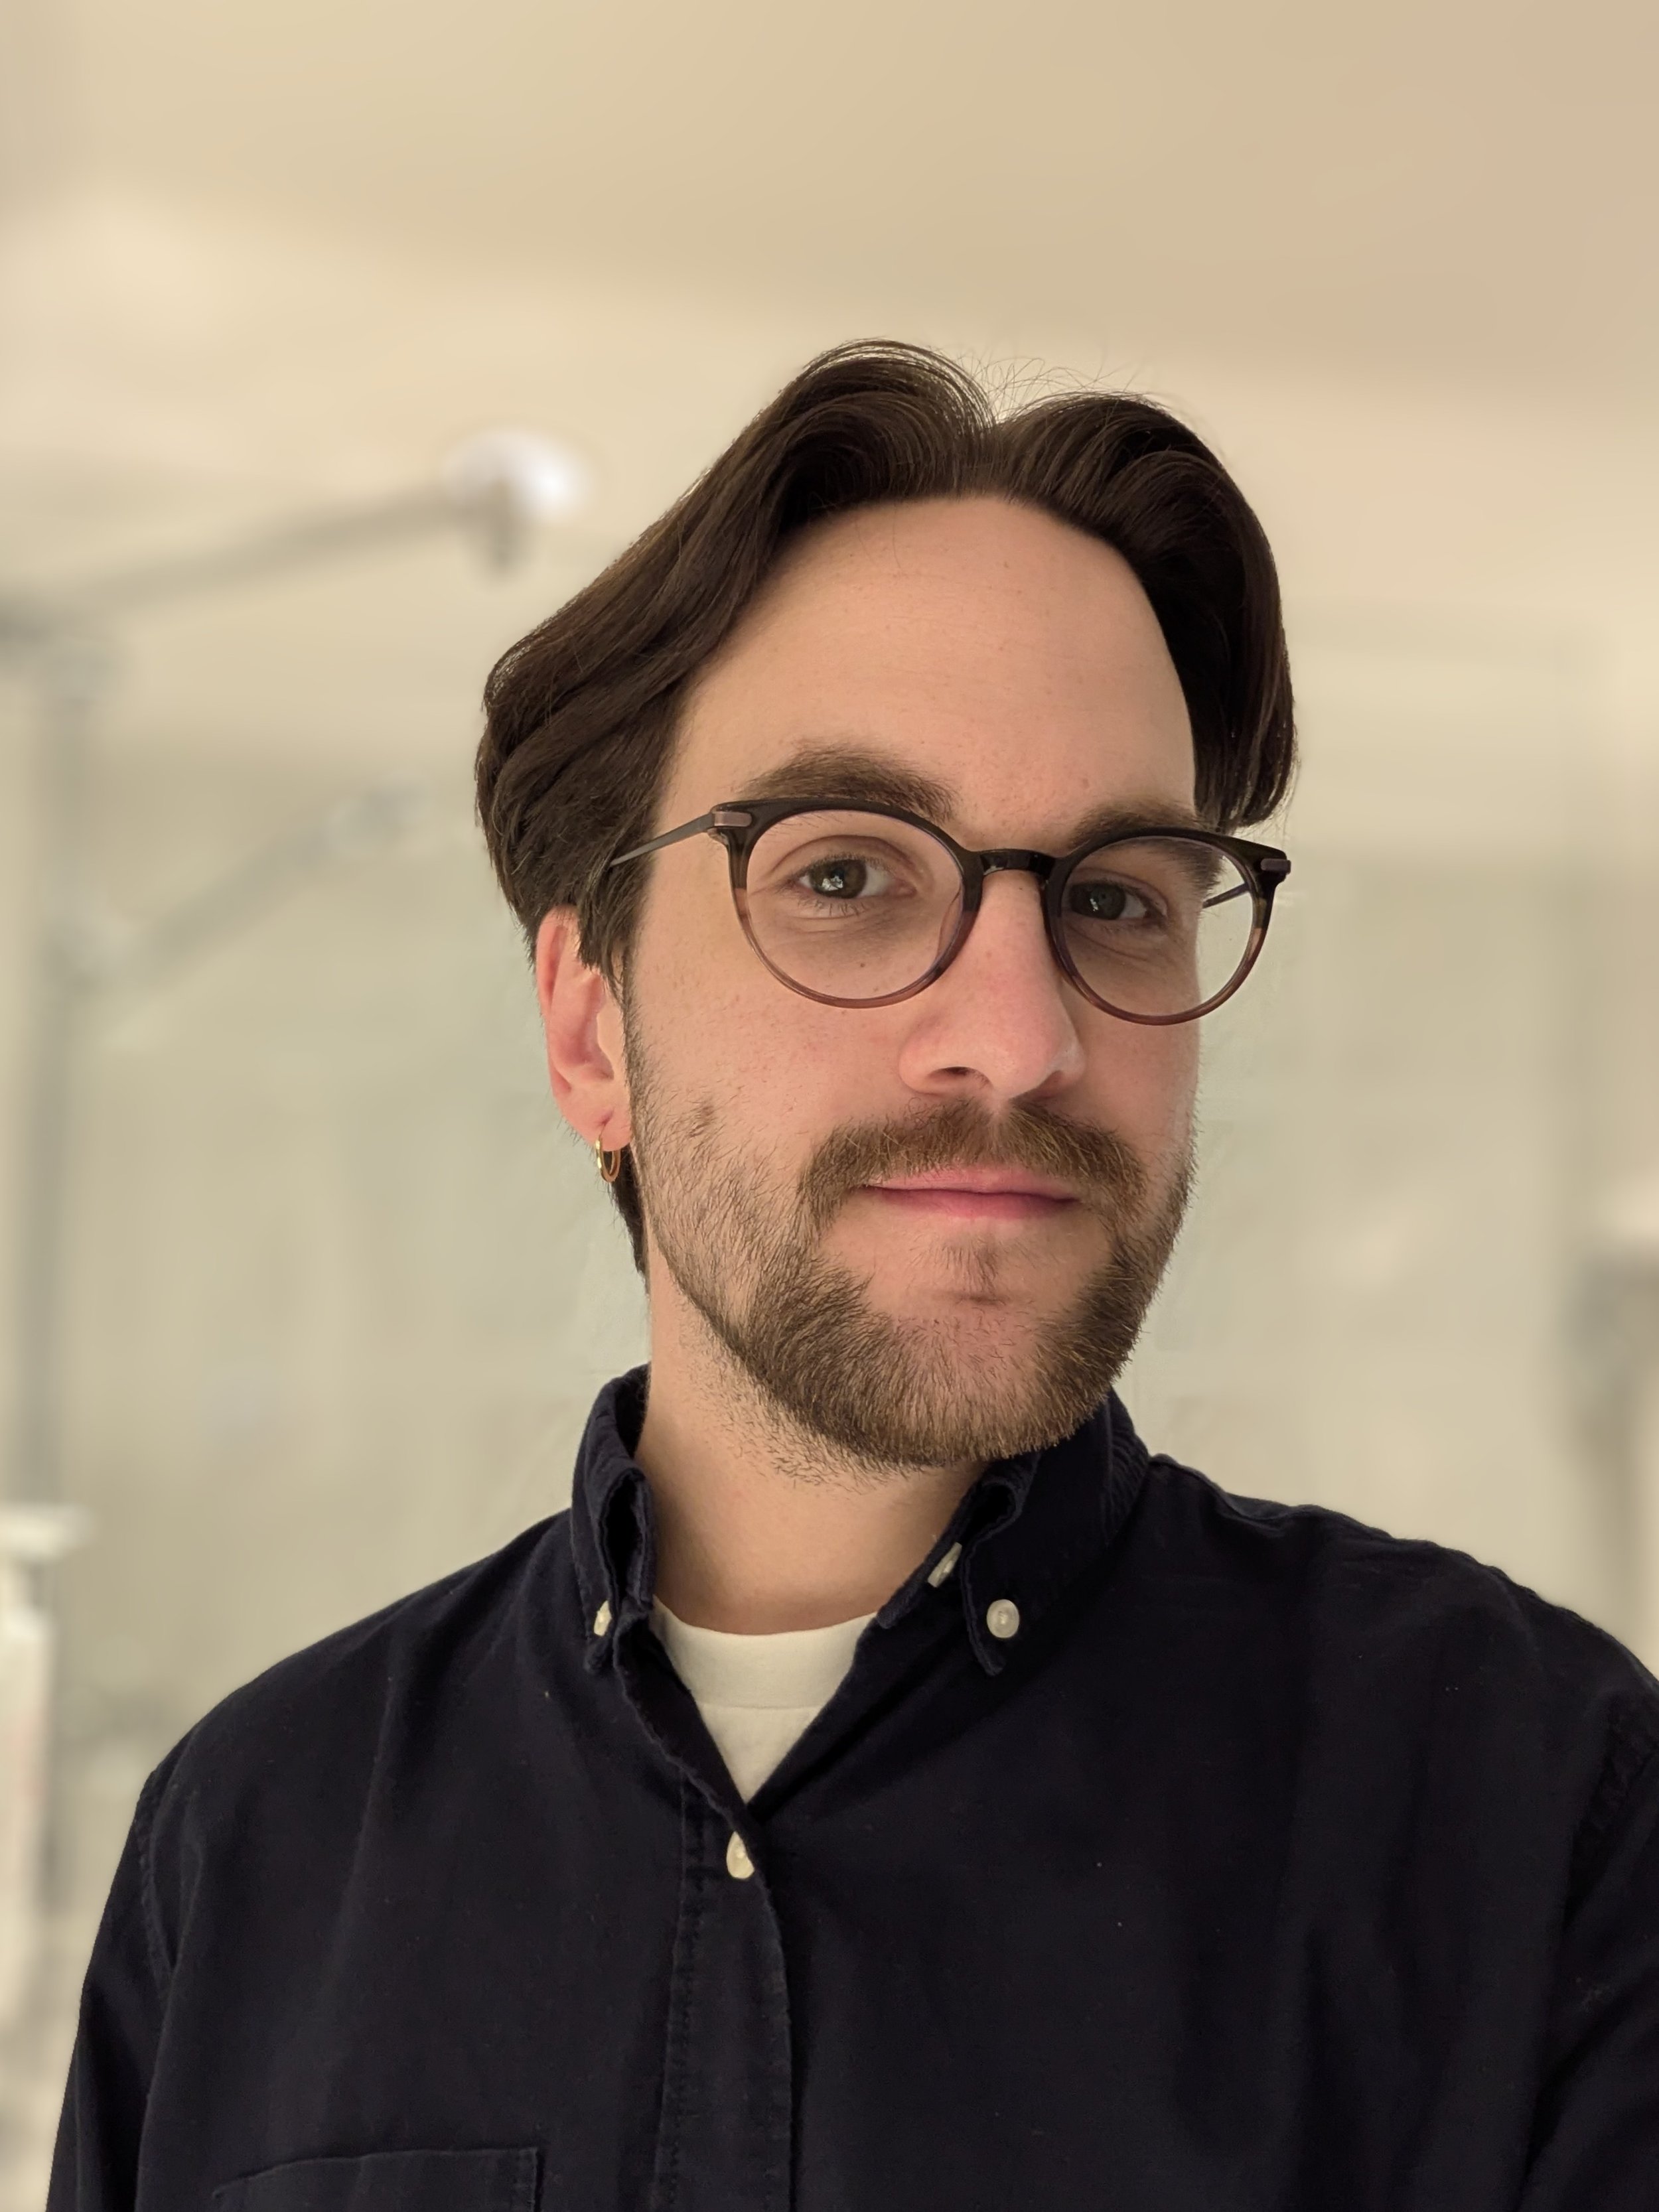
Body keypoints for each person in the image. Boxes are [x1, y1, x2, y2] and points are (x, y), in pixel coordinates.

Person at [50, 344, 1659, 2211]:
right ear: (590, 1030)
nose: (1021, 1036)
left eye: (1116, 897)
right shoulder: (253, 1845)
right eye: (843, 876)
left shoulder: (1532, 1812)